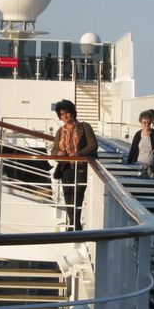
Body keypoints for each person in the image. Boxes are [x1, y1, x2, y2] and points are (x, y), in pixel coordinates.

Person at [51, 99, 98, 230]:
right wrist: (58, 152)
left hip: (80, 167)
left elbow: (93, 145)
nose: (65, 116)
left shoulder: (84, 127)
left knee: (77, 197)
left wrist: (79, 153)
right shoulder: (59, 131)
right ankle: (74, 226)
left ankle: (73, 226)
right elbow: (53, 149)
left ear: (72, 112)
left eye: (67, 113)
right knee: (68, 198)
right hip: (65, 168)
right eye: (62, 114)